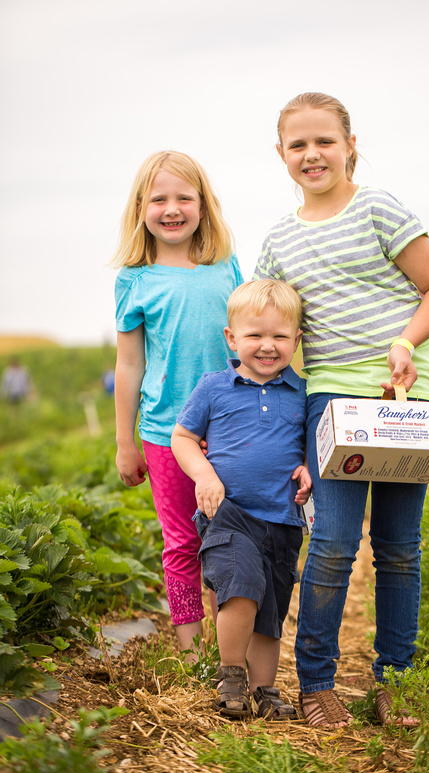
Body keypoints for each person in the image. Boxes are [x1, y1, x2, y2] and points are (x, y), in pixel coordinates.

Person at [254, 92, 429, 729]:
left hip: (406, 400)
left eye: (325, 142)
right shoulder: (279, 242)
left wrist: (404, 343)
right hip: (332, 405)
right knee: (334, 544)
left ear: (349, 146)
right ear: (281, 154)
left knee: (400, 549)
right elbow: (267, 326)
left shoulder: (378, 208)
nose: (312, 155)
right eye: (298, 145)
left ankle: (394, 681)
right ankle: (317, 685)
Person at [112, 150, 243, 658]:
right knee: (181, 543)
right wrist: (126, 441)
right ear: (141, 208)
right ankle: (193, 653)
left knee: (231, 537)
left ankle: (233, 645)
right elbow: (129, 365)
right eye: (158, 198)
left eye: (184, 197)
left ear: (203, 205)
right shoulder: (135, 278)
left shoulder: (225, 266)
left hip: (229, 427)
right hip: (165, 430)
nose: (172, 208)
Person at [171, 279, 311, 719]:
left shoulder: (303, 394)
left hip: (284, 519)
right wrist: (204, 474)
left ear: (297, 340)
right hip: (228, 514)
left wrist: (308, 466)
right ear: (231, 338)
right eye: (255, 335)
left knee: (271, 609)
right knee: (241, 590)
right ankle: (230, 672)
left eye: (279, 336)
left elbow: (313, 445)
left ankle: (264, 688)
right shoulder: (214, 387)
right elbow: (183, 437)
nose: (267, 346)